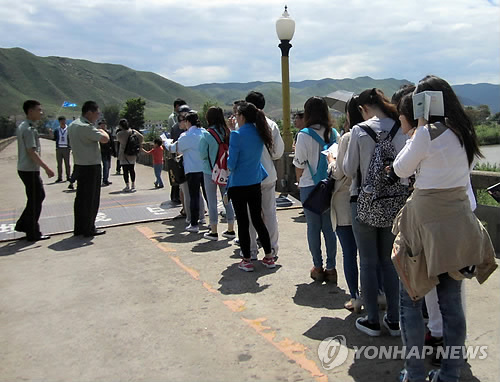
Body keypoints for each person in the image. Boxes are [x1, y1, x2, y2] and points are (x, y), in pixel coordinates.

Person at [393, 75, 496, 382]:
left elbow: (400, 168)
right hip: (458, 224)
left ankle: (413, 373)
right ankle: (450, 373)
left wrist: (420, 125)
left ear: (424, 104)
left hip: (423, 226)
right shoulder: (464, 132)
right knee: (451, 304)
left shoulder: (425, 134)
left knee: (410, 299)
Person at [343, 88, 407, 337]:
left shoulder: (359, 131)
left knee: (368, 263)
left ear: (363, 109)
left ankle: (372, 319)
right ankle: (393, 319)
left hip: (363, 202)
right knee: (390, 262)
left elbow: (349, 170)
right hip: (393, 203)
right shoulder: (400, 127)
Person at [293, 96, 339, 283]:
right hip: (329, 185)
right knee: (329, 228)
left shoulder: (303, 135)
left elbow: (299, 164)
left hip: (309, 185)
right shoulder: (334, 133)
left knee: (313, 227)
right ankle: (331, 267)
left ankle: (317, 266)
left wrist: (299, 181)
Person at [227, 102, 275, 272]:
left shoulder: (236, 135)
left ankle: (246, 258)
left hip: (238, 183)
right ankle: (269, 255)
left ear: (241, 117)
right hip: (255, 182)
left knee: (243, 222)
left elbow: (231, 164)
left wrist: (232, 132)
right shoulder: (259, 133)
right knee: (258, 219)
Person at [328, 98, 363, 311]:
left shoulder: (348, 137)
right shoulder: (378, 132)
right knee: (371, 255)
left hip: (344, 200)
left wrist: (331, 161)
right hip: (368, 200)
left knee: (349, 253)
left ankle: (356, 297)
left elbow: (339, 171)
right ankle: (378, 293)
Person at [244, 91, 284, 259]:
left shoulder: (243, 127)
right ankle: (272, 250)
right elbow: (277, 153)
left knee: (250, 216)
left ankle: (251, 250)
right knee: (270, 214)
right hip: (267, 175)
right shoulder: (271, 125)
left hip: (248, 178)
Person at [14, 100, 55, 241]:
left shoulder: (26, 127)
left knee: (35, 198)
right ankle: (32, 231)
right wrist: (47, 168)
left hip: (25, 168)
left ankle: (23, 224)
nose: (41, 112)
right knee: (36, 198)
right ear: (30, 111)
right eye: (39, 110)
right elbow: (32, 152)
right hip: (29, 169)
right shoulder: (28, 129)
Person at [67, 101, 109, 237]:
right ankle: (89, 228)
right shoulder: (86, 127)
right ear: (89, 113)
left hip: (79, 164)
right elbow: (104, 139)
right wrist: (102, 130)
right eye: (97, 113)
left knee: (81, 198)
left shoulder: (73, 125)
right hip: (91, 166)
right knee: (91, 199)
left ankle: (79, 227)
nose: (97, 116)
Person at [199, 106, 236, 240]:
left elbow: (202, 154)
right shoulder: (227, 132)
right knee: (227, 198)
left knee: (212, 200)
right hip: (225, 170)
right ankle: (230, 228)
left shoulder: (207, 134)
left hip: (210, 171)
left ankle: (213, 230)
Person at [165, 111, 205, 233]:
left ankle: (194, 223)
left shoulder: (186, 136)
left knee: (193, 196)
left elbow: (174, 148)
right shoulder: (204, 132)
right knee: (206, 196)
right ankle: (208, 221)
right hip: (205, 168)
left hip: (192, 169)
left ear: (188, 122)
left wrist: (166, 142)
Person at [116, 118, 144, 192]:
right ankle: (133, 185)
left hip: (123, 154)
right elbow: (141, 137)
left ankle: (127, 186)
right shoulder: (133, 131)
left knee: (125, 171)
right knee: (132, 169)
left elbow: (118, 140)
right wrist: (139, 145)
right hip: (132, 153)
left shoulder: (119, 134)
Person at [53, 116, 71, 182]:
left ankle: (68, 176)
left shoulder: (68, 129)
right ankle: (59, 177)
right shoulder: (57, 130)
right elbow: (54, 138)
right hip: (59, 148)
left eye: (64, 121)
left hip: (66, 148)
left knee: (67, 163)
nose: (63, 122)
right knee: (59, 164)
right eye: (61, 121)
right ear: (59, 122)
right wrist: (50, 133)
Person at [98, 119, 115, 186]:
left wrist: (114, 151)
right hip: (99, 152)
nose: (103, 126)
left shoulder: (108, 133)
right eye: (102, 124)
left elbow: (112, 143)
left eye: (104, 124)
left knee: (107, 166)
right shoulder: (97, 133)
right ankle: (101, 179)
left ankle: (105, 179)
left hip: (107, 152)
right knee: (100, 166)